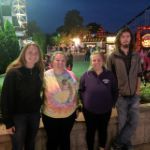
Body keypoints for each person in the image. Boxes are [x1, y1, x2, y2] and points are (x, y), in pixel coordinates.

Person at [0, 42, 44, 150]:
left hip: (34, 115)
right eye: (30, 52)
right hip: (18, 117)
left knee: (31, 144)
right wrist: (8, 123)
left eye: (36, 53)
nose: (33, 55)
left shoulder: (38, 71)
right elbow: (6, 98)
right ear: (23, 53)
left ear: (39, 56)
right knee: (17, 146)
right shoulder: (13, 72)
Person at [107, 27, 142, 150]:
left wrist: (137, 90)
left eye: (128, 36)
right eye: (123, 37)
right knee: (122, 124)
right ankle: (128, 148)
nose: (126, 39)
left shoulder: (136, 55)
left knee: (134, 122)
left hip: (134, 96)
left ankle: (116, 145)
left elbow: (138, 74)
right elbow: (110, 78)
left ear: (130, 39)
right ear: (119, 39)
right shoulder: (112, 57)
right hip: (121, 96)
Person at [79, 51, 118, 150]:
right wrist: (85, 104)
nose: (96, 62)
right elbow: (80, 90)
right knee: (90, 131)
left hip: (105, 110)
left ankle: (101, 148)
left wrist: (112, 104)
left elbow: (115, 91)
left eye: (99, 60)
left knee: (103, 130)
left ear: (103, 61)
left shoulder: (109, 75)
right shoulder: (86, 75)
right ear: (91, 62)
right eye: (94, 60)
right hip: (89, 111)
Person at [42, 51, 78, 150]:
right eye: (57, 60)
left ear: (66, 62)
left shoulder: (71, 74)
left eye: (63, 60)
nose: (60, 62)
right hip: (50, 116)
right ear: (52, 62)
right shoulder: (45, 76)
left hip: (68, 115)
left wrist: (77, 107)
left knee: (65, 140)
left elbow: (75, 93)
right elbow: (40, 95)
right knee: (52, 141)